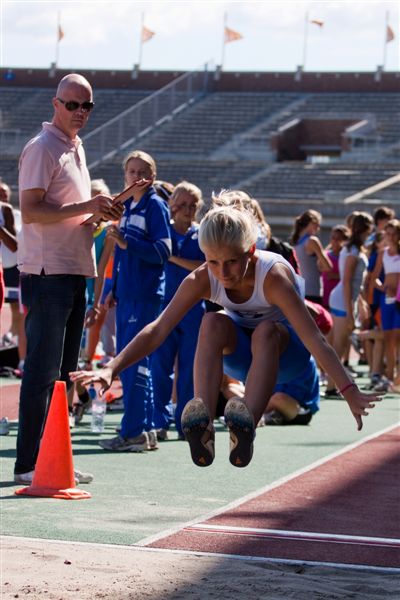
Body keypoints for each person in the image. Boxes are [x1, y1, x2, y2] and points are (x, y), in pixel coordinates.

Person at [71, 198, 381, 469]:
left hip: (288, 357)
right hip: (241, 356)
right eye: (213, 262)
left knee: (265, 330)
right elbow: (158, 328)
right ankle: (202, 423)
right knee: (212, 322)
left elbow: (315, 338)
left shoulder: (273, 276)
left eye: (232, 262)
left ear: (250, 251)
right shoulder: (203, 278)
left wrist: (348, 390)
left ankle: (247, 423)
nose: (224, 272)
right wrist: (111, 367)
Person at [14, 73, 123, 485]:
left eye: (87, 106)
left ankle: (51, 459)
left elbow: (66, 214)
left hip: (73, 269)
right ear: (55, 104)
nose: (80, 112)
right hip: (48, 273)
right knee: (43, 372)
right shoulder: (42, 148)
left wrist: (98, 216)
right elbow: (34, 210)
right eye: (73, 104)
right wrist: (87, 205)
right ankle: (27, 463)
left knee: (62, 374)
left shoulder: (73, 147)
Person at [98, 150, 171, 452]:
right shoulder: (127, 205)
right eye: (131, 171)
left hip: (144, 293)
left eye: (142, 171)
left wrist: (129, 243)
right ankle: (146, 429)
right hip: (128, 292)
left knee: (131, 362)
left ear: (151, 176)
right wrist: (114, 289)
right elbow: (120, 254)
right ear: (125, 175)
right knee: (137, 362)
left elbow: (163, 251)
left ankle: (132, 432)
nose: (136, 176)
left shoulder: (155, 206)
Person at [152, 181, 205, 441]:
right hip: (164, 306)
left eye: (192, 205)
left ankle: (186, 422)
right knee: (160, 366)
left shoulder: (203, 234)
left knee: (190, 368)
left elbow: (204, 267)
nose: (186, 209)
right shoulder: (164, 232)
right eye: (181, 204)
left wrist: (171, 257)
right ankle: (158, 421)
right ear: (172, 206)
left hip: (194, 308)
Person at [325, 212, 374, 397]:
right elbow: (346, 282)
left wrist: (359, 303)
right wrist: (350, 312)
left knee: (341, 344)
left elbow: (355, 283)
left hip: (347, 299)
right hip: (342, 300)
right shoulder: (353, 251)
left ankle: (333, 384)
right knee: (338, 345)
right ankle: (331, 386)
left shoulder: (355, 249)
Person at [368, 219, 400, 389]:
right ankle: (390, 376)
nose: (391, 236)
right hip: (386, 300)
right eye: (388, 233)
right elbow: (373, 279)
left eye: (394, 233)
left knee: (398, 335)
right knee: (388, 338)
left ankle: (397, 377)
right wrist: (384, 287)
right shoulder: (383, 253)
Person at [291, 209, 333, 304]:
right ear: (312, 223)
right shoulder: (312, 241)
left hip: (299, 290)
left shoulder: (295, 241)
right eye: (317, 225)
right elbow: (328, 267)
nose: (318, 229)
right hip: (313, 291)